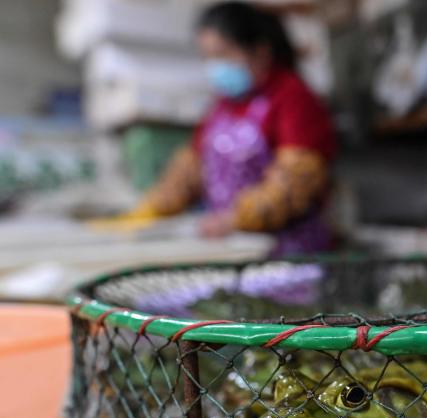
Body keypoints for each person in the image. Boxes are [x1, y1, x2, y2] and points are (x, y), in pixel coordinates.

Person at [119, 1, 336, 255]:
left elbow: (297, 179)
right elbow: (189, 170)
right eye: (208, 57)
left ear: (260, 52)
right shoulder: (222, 106)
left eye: (223, 54)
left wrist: (236, 218)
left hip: (287, 254)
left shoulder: (292, 97)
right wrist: (151, 209)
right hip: (232, 247)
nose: (215, 67)